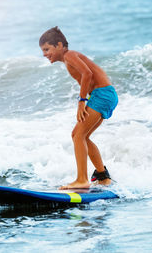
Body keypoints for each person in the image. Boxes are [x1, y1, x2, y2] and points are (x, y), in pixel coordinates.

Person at [39, 27, 118, 189]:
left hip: (101, 94)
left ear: (59, 45)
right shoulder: (69, 58)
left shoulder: (70, 55)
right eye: (43, 51)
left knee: (77, 135)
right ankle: (102, 176)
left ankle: (82, 180)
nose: (45, 54)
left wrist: (82, 101)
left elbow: (87, 74)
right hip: (104, 95)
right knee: (83, 136)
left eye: (47, 49)